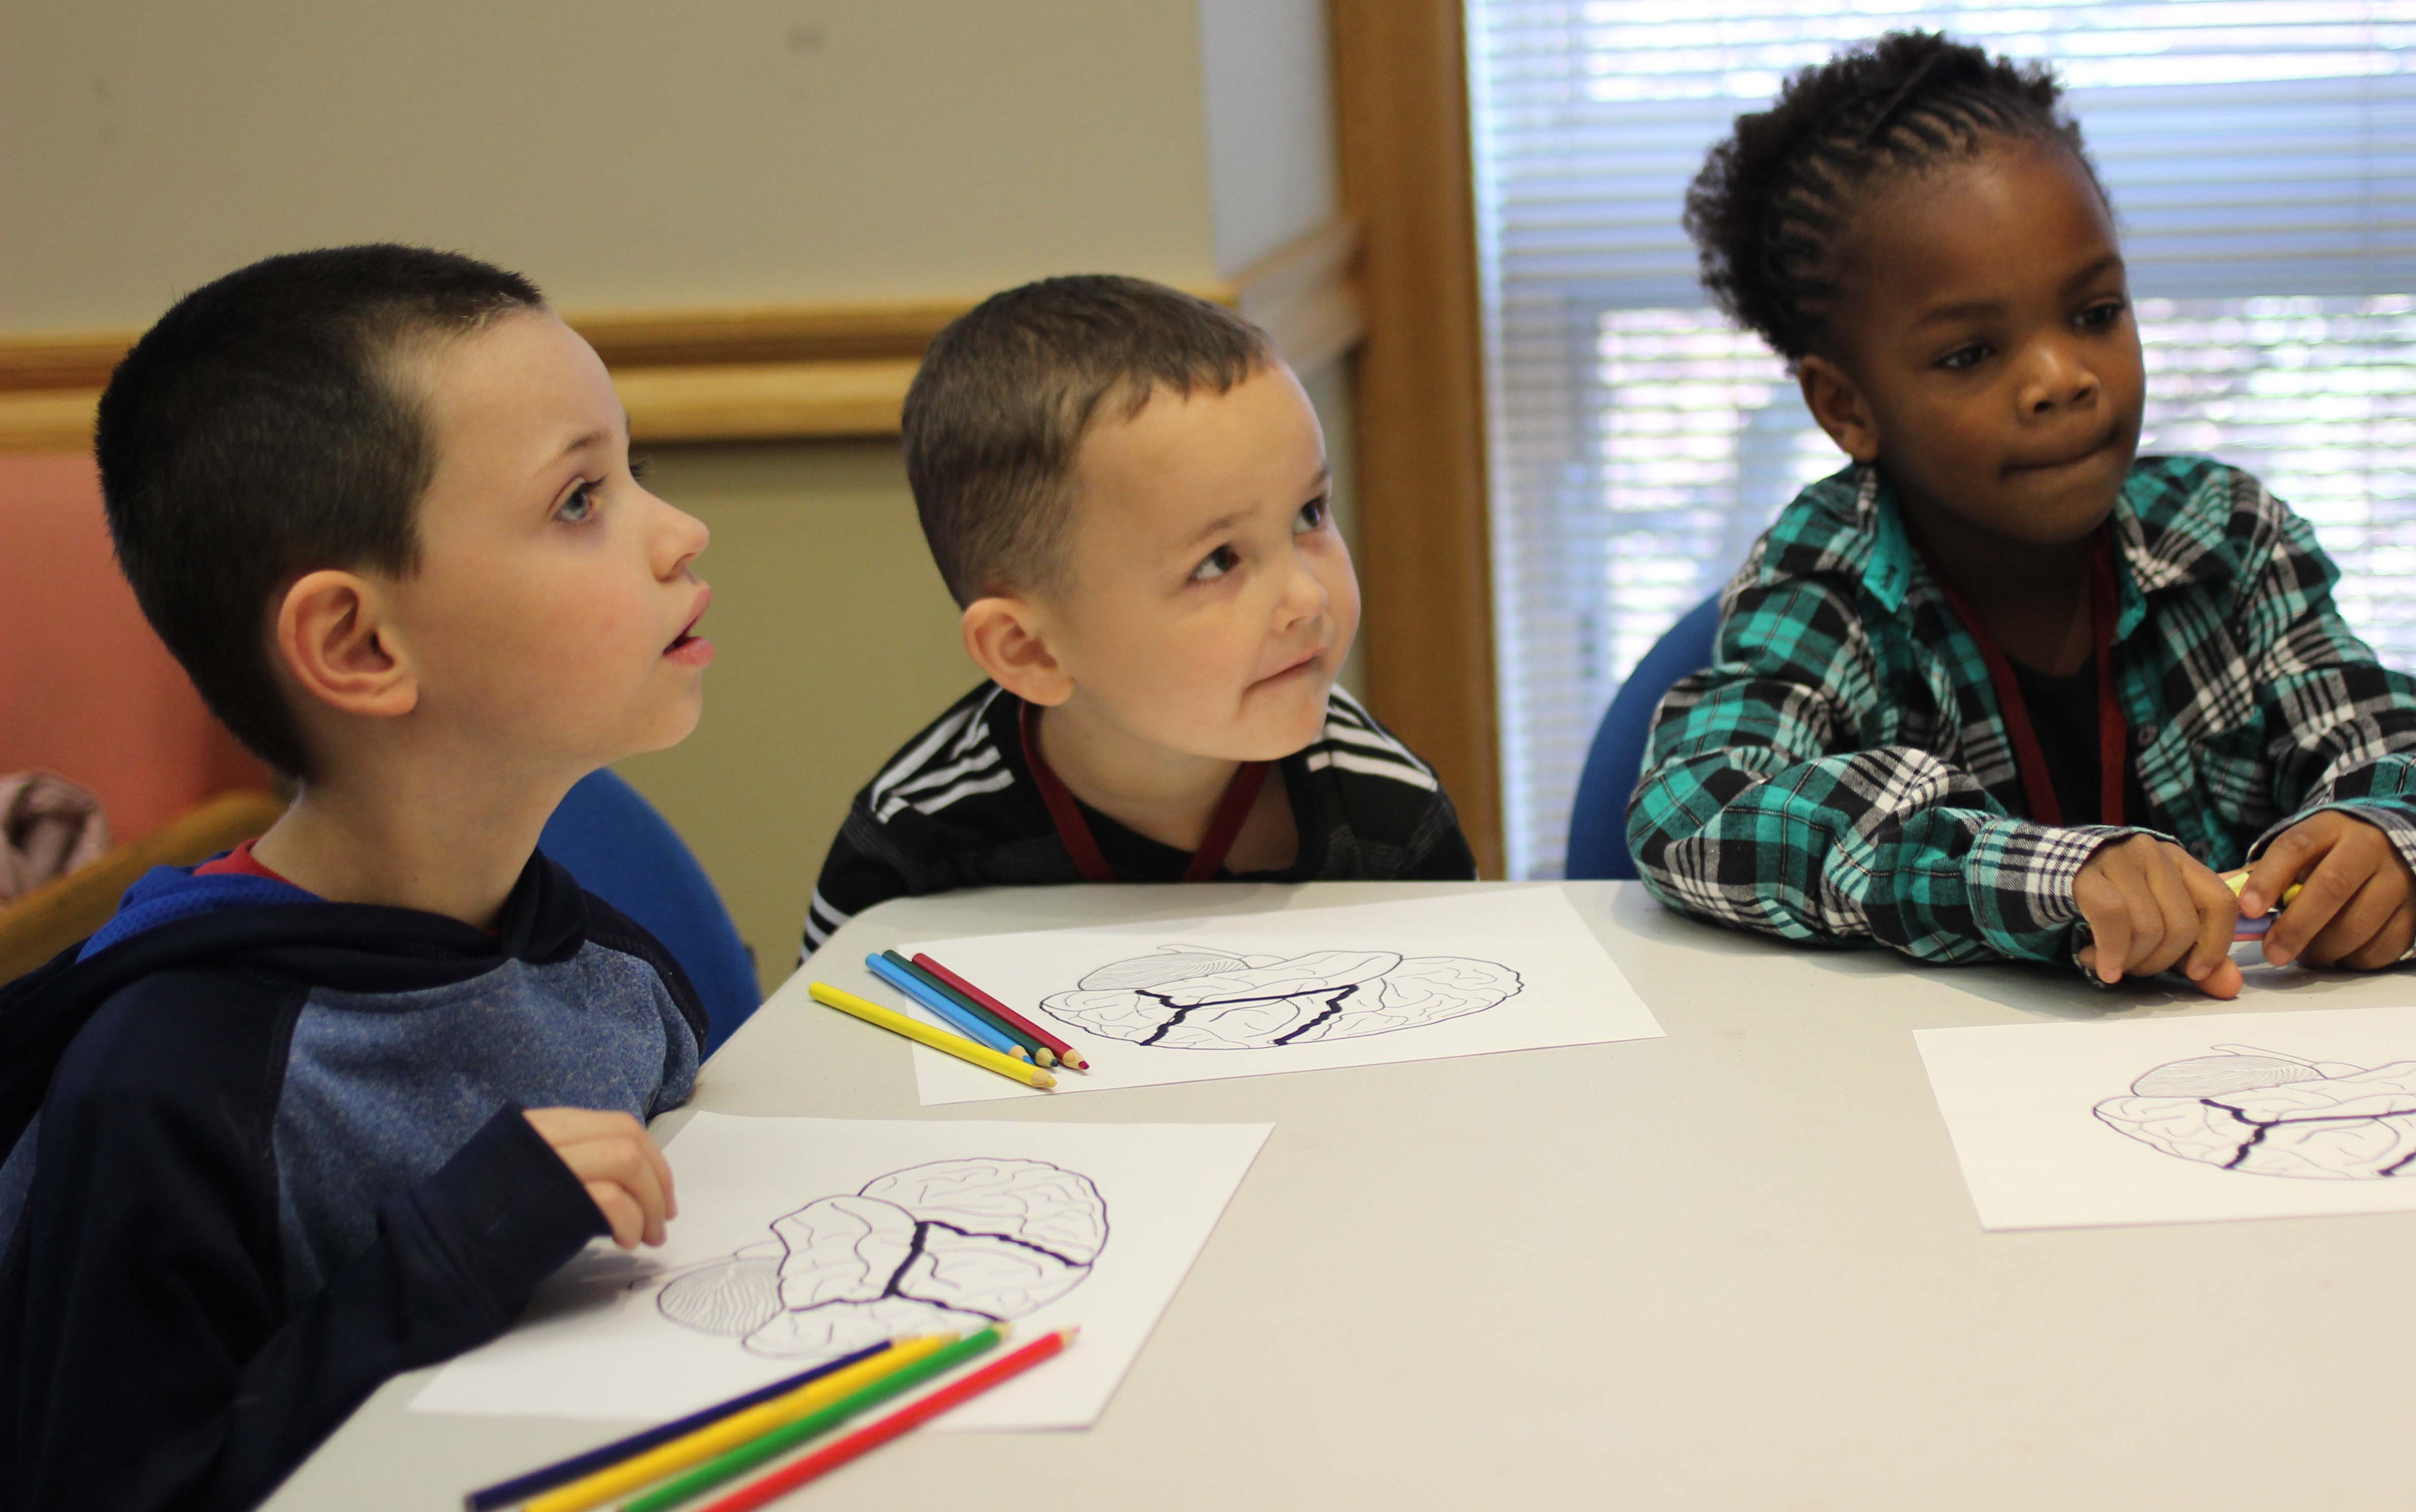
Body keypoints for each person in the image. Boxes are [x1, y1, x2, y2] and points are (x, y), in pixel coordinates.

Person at [0, 246, 712, 1509]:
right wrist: (435, 1269)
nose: (679, 533)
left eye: (633, 473)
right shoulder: (164, 1091)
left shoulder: (612, 968)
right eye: (579, 501)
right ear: (359, 643)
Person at [1628, 32, 2416, 997]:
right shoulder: (1831, 573)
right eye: (1971, 354)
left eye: (2096, 312)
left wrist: (2391, 842)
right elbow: (1696, 805)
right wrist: (2049, 876)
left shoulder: (2223, 539)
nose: (2062, 380)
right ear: (1849, 407)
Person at [802, 275, 1474, 958]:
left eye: (1309, 514)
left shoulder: (1390, 811)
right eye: (1218, 561)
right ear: (1029, 652)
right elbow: (840, 1057)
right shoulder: (912, 852)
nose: (1308, 598)